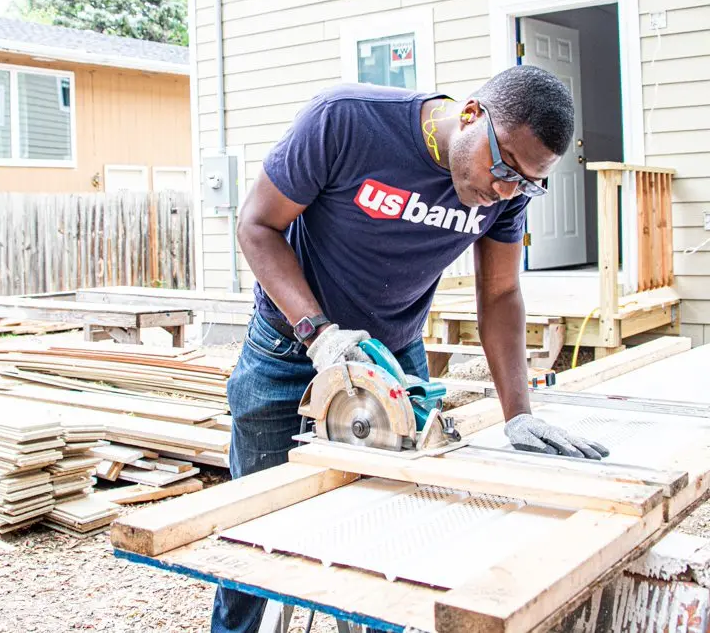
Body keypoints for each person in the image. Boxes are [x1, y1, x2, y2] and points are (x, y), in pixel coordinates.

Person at [209, 65, 610, 633]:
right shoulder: (346, 122)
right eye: (503, 169)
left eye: (526, 182)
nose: (504, 190)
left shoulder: (505, 189)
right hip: (287, 349)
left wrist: (518, 416)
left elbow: (499, 292)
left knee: (390, 544)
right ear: (472, 114)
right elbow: (256, 225)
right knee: (255, 533)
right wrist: (317, 333)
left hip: (392, 362)